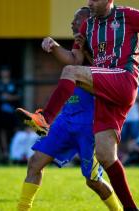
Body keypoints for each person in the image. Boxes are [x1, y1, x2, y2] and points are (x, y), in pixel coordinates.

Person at [18, 1, 139, 209]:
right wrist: (55, 47)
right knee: (105, 155)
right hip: (105, 93)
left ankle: (45, 119)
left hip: (124, 80)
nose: (89, 3)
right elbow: (74, 60)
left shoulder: (128, 15)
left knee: (69, 73)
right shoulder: (88, 26)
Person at [17, 7, 121, 211]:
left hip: (89, 126)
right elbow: (72, 60)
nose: (72, 23)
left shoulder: (104, 46)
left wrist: (85, 52)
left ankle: (118, 209)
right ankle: (22, 208)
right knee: (35, 162)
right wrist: (54, 46)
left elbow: (107, 76)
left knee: (92, 181)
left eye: (77, 19)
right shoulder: (79, 45)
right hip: (65, 120)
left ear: (89, 20)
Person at [0, 66, 21, 159]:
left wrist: (10, 97)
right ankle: (5, 151)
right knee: (3, 131)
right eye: (3, 71)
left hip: (13, 112)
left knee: (16, 130)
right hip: (1, 113)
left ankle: (15, 150)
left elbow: (19, 95)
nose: (4, 73)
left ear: (9, 73)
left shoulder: (14, 83)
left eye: (6, 71)